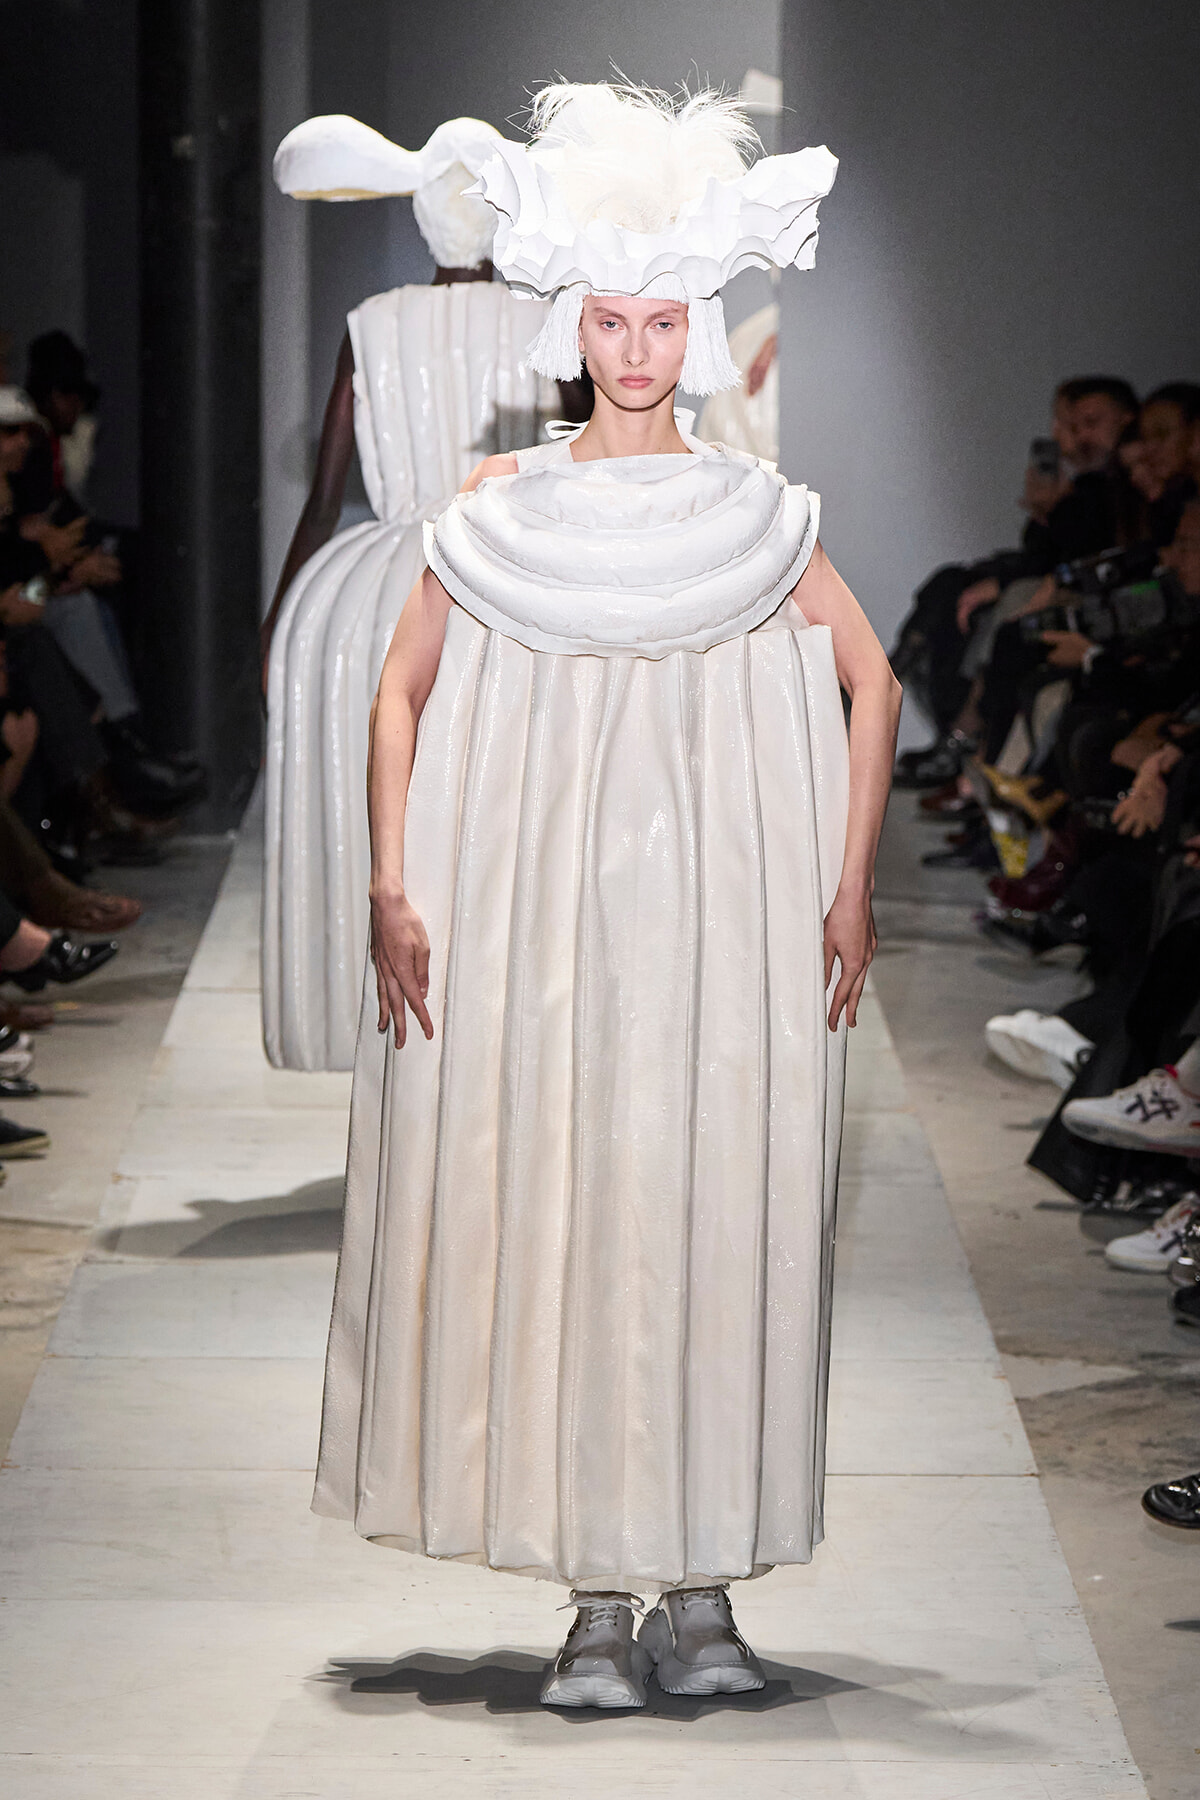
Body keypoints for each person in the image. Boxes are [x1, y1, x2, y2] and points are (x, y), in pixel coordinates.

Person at [311, 81, 900, 1709]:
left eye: (664, 323)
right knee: (566, 1213)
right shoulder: (503, 508)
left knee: (713, 1206)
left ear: (696, 335)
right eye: (615, 322)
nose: (638, 351)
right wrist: (390, 879)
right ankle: (592, 1599)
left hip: (724, 930)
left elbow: (875, 680)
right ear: (578, 326)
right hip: (542, 929)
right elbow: (398, 696)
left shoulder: (754, 516)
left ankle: (701, 1590)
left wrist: (850, 890)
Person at [262, 114, 556, 1070]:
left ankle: (383, 1032)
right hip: (506, 583)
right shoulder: (543, 322)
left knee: (376, 826)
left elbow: (324, 496)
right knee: (499, 829)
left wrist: (279, 622)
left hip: (369, 602)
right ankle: (488, 1043)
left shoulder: (373, 324)